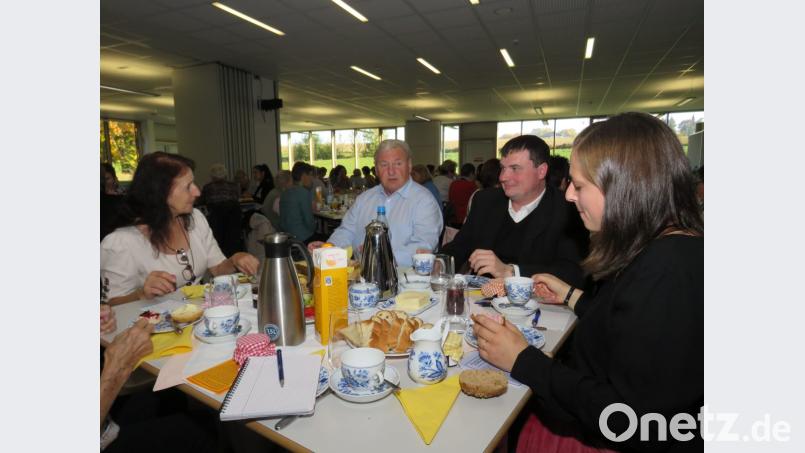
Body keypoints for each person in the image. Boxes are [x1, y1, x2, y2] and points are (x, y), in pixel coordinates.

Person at [472, 112, 704, 452]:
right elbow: (628, 327)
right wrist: (572, 296)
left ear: (626, 187)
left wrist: (522, 359)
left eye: (579, 186)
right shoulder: (663, 251)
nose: (568, 196)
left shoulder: (667, 272)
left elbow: (630, 419)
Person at [101, 152, 259, 305]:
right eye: (188, 186)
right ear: (160, 193)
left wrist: (234, 260)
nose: (197, 191)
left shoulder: (195, 219)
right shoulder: (121, 242)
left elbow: (217, 269)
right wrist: (142, 293)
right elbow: (110, 304)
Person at [439, 135, 584, 285]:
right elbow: (459, 247)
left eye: (515, 168)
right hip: (481, 301)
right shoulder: (485, 201)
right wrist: (437, 262)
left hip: (540, 304)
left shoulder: (567, 210)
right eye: (502, 168)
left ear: (541, 171)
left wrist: (511, 271)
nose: (503, 177)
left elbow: (572, 271)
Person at [308, 140, 443, 267]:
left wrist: (378, 257)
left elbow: (422, 247)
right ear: (377, 170)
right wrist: (330, 248)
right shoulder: (364, 199)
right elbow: (347, 231)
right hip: (360, 278)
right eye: (384, 165)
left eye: (398, 164)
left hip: (405, 282)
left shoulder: (424, 201)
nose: (391, 171)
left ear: (409, 166)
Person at [199, 163, 242, 257]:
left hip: (216, 221)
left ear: (212, 176)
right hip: (234, 220)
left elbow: (201, 201)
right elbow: (238, 198)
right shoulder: (234, 186)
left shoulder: (208, 187)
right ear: (225, 175)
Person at [279, 162, 317, 243]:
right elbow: (310, 223)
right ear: (303, 176)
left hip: (288, 238)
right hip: (303, 238)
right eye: (310, 175)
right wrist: (315, 224)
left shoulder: (285, 193)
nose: (312, 179)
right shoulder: (303, 193)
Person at [102, 163, 125, 241]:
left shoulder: (123, 195)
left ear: (114, 178)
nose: (105, 182)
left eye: (107, 178)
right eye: (102, 179)